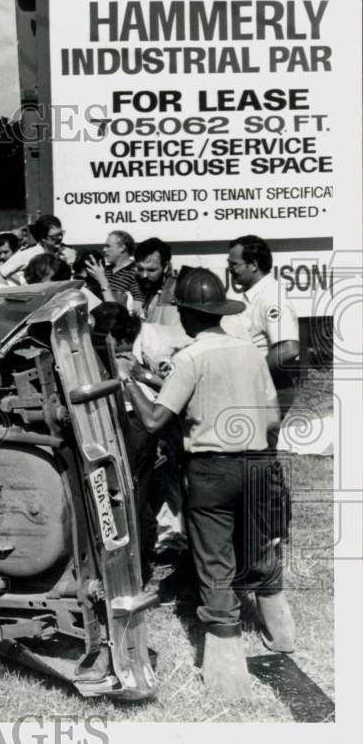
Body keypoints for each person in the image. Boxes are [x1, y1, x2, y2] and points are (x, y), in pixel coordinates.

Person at [118, 268, 292, 697]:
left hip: (211, 469)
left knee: (215, 561)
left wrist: (129, 379)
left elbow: (156, 419)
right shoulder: (251, 352)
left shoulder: (189, 358)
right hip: (260, 462)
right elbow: (271, 416)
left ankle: (227, 674)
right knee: (259, 545)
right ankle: (282, 634)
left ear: (188, 314)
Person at [226, 235, 300, 419]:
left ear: (253, 264)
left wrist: (252, 376)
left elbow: (289, 349)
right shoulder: (252, 295)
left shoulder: (271, 297)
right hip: (254, 389)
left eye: (234, 264)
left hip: (269, 389)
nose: (229, 269)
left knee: (259, 446)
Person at [84, 230, 143, 306]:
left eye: (108, 246)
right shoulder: (103, 271)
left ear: (122, 248)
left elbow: (136, 310)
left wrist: (102, 280)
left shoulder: (137, 272)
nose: (104, 250)